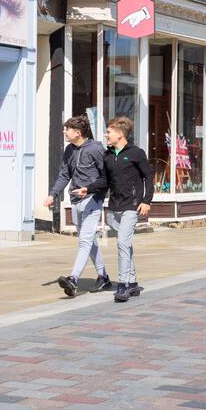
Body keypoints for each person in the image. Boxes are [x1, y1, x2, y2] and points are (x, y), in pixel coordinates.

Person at [84, 116, 153, 303]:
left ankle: (122, 286)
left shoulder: (136, 153)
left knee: (122, 243)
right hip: (114, 208)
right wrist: (88, 189)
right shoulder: (107, 156)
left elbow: (148, 177)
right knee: (126, 244)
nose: (106, 135)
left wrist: (146, 201)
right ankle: (132, 283)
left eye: (109, 132)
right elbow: (104, 181)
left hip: (132, 205)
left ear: (120, 134)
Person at [45, 115, 112, 297]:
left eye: (67, 129)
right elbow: (64, 175)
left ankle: (73, 279)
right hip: (75, 201)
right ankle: (103, 277)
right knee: (89, 242)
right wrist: (53, 194)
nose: (64, 132)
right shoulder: (69, 150)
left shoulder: (96, 149)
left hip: (92, 200)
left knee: (84, 241)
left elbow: (105, 177)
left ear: (78, 132)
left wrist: (92, 191)